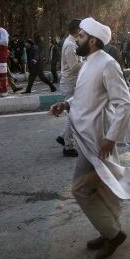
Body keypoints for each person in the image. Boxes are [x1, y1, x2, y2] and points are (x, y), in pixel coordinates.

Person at [49, 18, 130, 259]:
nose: (75, 39)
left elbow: (124, 103)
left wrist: (111, 139)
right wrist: (66, 104)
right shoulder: (88, 63)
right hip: (87, 138)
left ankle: (114, 233)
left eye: (80, 36)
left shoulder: (108, 64)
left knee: (80, 189)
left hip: (98, 142)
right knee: (103, 187)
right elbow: (85, 98)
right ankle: (108, 230)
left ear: (92, 40)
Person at [56, 19, 82, 157]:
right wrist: (90, 62)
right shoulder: (70, 46)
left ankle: (63, 136)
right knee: (74, 115)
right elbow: (74, 67)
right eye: (82, 29)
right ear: (78, 30)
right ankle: (68, 146)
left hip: (71, 83)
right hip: (70, 83)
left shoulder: (71, 43)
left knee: (74, 113)